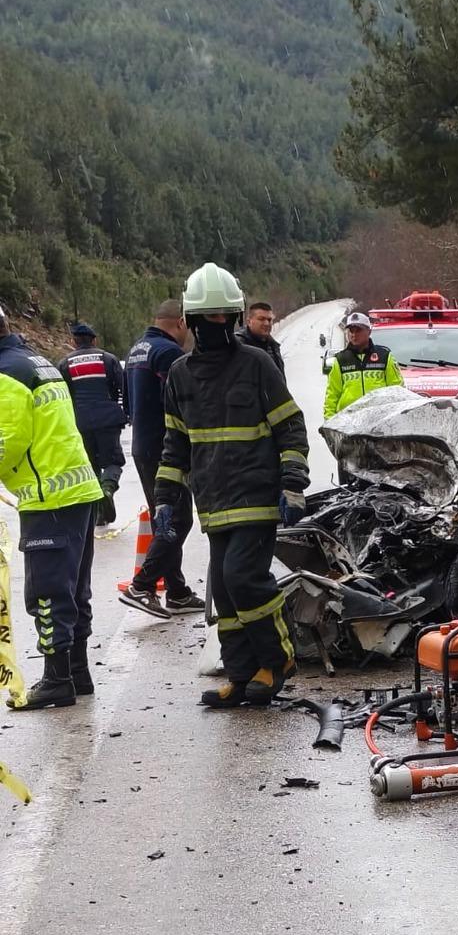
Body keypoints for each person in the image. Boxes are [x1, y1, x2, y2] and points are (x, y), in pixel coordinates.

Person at [154, 262, 309, 708]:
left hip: (257, 495)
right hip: (214, 500)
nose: (215, 324)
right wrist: (165, 499)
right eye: (208, 317)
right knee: (223, 589)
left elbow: (290, 427)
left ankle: (277, 660)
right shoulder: (181, 375)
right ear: (191, 319)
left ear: (235, 317)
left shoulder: (257, 364)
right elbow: (175, 444)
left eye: (223, 316)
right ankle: (242, 676)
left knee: (242, 576)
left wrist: (293, 481)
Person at [0, 304, 103, 708]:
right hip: (76, 490)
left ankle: (57, 680)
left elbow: (8, 439)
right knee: (75, 589)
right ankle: (78, 673)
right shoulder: (36, 362)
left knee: (47, 591)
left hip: (49, 497)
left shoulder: (7, 375)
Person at [121, 300, 203, 618]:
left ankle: (177, 591)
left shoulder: (137, 350)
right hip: (167, 449)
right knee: (178, 520)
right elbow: (184, 403)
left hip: (143, 446)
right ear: (180, 322)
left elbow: (127, 403)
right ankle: (142, 585)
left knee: (164, 517)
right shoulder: (169, 353)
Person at [56, 322, 127, 527]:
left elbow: (64, 395)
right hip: (108, 420)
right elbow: (121, 388)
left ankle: (99, 512)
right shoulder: (108, 359)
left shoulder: (65, 364)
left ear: (73, 341)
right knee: (113, 461)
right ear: (94, 340)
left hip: (80, 422)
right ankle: (108, 489)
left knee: (90, 465)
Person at [323, 311, 403, 419]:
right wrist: (329, 422)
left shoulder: (384, 356)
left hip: (379, 420)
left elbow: (397, 390)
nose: (354, 335)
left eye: (358, 330)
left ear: (369, 332)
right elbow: (332, 395)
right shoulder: (340, 359)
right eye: (351, 330)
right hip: (348, 421)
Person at [236, 301, 285, 373]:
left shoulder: (273, 347)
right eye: (261, 319)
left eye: (269, 320)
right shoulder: (238, 347)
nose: (266, 323)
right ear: (249, 321)